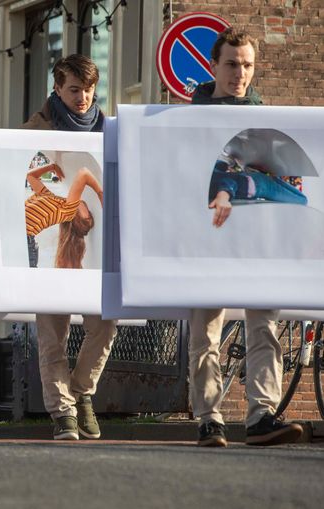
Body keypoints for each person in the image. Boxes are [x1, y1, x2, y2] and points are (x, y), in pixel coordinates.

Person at [188, 27, 303, 447]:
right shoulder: (188, 121)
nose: (240, 73)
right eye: (232, 64)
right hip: (207, 238)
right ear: (214, 66)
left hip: (257, 239)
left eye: (248, 65)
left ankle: (261, 415)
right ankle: (208, 419)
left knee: (265, 326)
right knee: (206, 330)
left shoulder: (268, 124)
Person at [23, 54, 117, 441]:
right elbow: (20, 172)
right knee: (51, 334)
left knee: (105, 325)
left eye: (89, 90)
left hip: (95, 251)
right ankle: (62, 411)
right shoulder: (33, 128)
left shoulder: (110, 129)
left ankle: (81, 394)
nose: (82, 98)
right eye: (74, 89)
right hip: (47, 246)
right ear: (57, 89)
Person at [207, 150, 307, 228]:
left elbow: (228, 181)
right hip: (254, 179)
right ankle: (260, 173)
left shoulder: (204, 183)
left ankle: (262, 174)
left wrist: (223, 196)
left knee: (302, 201)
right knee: (300, 198)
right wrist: (226, 161)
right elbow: (219, 168)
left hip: (261, 186)